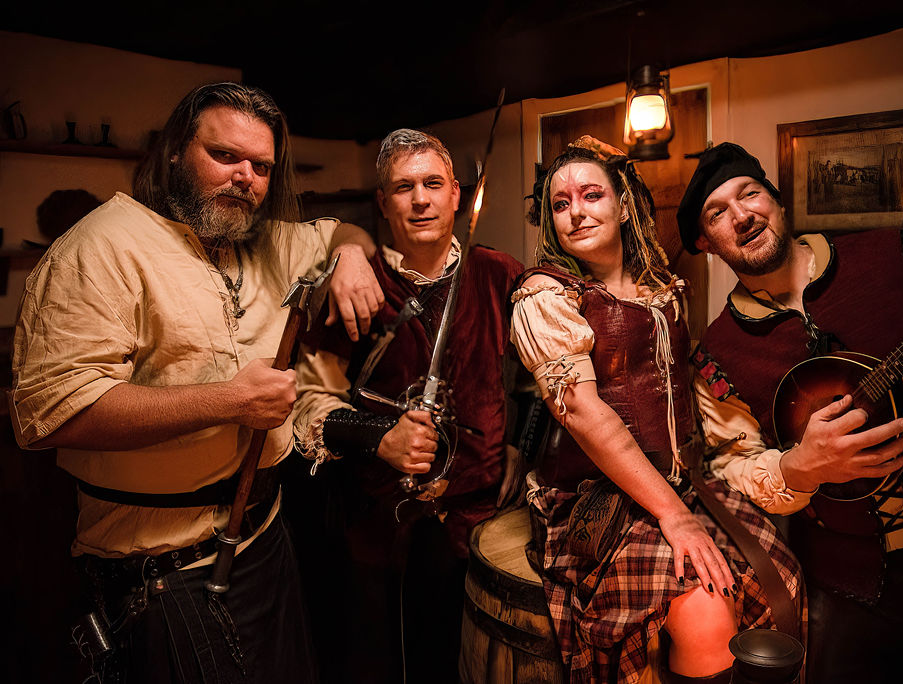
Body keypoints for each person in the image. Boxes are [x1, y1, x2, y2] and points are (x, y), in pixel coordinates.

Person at [9, 82, 373, 683]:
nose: (245, 177)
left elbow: (340, 233)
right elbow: (51, 413)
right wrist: (229, 402)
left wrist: (351, 256)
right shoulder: (102, 247)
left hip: (265, 537)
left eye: (260, 166)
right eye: (224, 155)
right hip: (164, 571)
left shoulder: (260, 240)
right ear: (176, 150)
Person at [677, 142, 903, 683]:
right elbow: (731, 466)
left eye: (751, 194)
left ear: (777, 201)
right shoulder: (717, 354)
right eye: (717, 213)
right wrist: (797, 468)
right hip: (851, 590)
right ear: (705, 242)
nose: (742, 215)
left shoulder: (901, 255)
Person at [510, 136, 803, 684]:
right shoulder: (546, 295)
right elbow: (582, 412)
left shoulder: (662, 288)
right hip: (594, 498)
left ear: (623, 205)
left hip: (683, 478)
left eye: (592, 194)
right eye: (561, 203)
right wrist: (674, 516)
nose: (576, 212)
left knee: (776, 576)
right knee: (706, 609)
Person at [288, 128, 525, 683]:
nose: (421, 199)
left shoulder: (501, 274)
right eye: (403, 187)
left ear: (456, 195)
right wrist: (379, 438)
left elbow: (536, 380)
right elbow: (308, 399)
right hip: (381, 531)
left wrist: (518, 445)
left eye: (433, 184)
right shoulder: (355, 285)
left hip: (481, 525)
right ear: (383, 202)